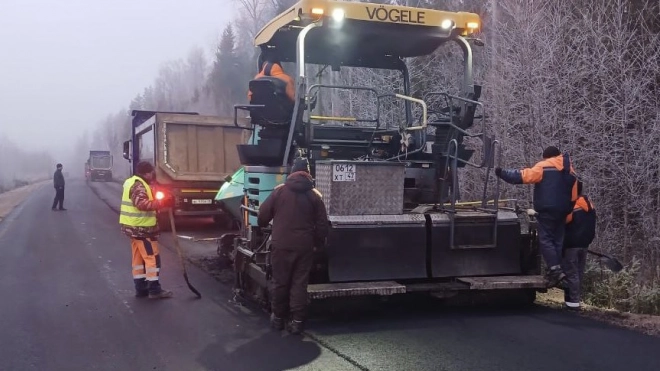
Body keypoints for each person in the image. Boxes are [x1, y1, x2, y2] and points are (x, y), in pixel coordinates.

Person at [257, 158, 329, 334]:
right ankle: (297, 322)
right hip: (304, 246)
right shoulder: (315, 196)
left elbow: (262, 216)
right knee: (299, 283)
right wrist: (317, 244)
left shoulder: (279, 192)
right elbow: (322, 225)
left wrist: (264, 226)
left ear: (292, 172)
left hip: (281, 244)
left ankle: (278, 319)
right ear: (308, 174)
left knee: (280, 281)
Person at [495, 146, 577, 288]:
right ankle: (556, 271)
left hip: (547, 210)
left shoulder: (544, 167)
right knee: (557, 241)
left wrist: (502, 173)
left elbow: (523, 176)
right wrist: (568, 213)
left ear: (546, 157)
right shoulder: (569, 170)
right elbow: (574, 195)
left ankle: (555, 270)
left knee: (545, 240)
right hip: (564, 211)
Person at [119, 161, 174, 299]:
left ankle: (141, 288)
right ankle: (154, 290)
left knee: (138, 259)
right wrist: (162, 203)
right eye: (151, 172)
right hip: (141, 229)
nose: (152, 175)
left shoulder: (131, 182)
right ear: (146, 173)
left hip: (133, 228)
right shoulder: (139, 185)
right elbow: (141, 204)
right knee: (152, 258)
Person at [562, 181, 596, 310]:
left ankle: (573, 302)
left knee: (571, 273)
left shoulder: (572, 207)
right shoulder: (590, 206)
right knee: (579, 273)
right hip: (584, 244)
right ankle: (573, 300)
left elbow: (563, 222)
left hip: (571, 245)